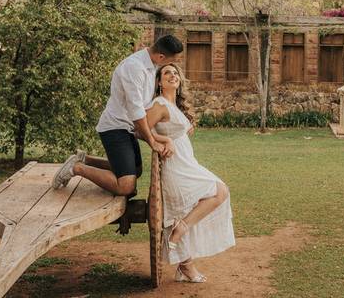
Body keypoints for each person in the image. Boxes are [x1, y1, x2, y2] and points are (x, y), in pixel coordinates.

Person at [51, 34, 184, 194]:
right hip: (115, 127)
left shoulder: (151, 65)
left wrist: (162, 137)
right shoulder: (134, 67)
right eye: (170, 61)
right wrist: (152, 141)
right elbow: (136, 111)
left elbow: (145, 108)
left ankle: (84, 159)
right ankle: (76, 168)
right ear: (161, 56)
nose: (171, 65)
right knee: (126, 186)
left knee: (137, 170)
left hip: (128, 128)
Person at [146, 63, 234, 282]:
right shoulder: (159, 104)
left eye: (175, 73)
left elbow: (175, 128)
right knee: (218, 192)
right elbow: (140, 128)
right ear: (159, 81)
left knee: (208, 199)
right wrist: (163, 140)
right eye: (167, 73)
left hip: (187, 165)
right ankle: (183, 245)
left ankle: (184, 262)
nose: (172, 75)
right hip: (176, 167)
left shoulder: (173, 105)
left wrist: (180, 130)